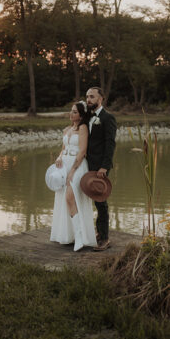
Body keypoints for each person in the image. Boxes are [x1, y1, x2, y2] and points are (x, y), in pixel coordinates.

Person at [49, 101, 98, 251]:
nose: (71, 114)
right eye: (71, 111)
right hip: (64, 164)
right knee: (64, 198)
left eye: (75, 112)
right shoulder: (67, 129)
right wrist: (59, 157)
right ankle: (68, 234)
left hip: (77, 165)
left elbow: (82, 151)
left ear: (81, 115)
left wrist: (72, 171)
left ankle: (80, 236)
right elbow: (63, 149)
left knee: (70, 197)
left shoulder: (83, 128)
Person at [85, 87, 117, 251]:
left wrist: (104, 166)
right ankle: (97, 232)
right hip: (86, 165)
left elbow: (110, 144)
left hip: (100, 166)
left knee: (100, 200)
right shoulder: (88, 117)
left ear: (101, 99)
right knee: (89, 200)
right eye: (87, 97)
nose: (88, 99)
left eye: (92, 96)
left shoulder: (107, 118)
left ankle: (104, 238)